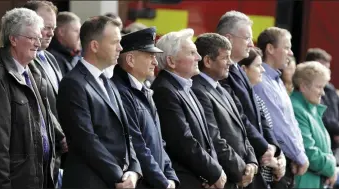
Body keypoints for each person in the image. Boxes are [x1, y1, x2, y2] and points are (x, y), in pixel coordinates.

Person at [56, 15, 142, 188]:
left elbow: (126, 134)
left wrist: (134, 170)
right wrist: (119, 177)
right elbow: (86, 140)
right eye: (115, 42)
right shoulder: (73, 83)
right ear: (95, 46)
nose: (120, 48)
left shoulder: (108, 81)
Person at [0, 8, 57, 188]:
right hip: (18, 180)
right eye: (32, 38)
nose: (37, 44)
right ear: (13, 39)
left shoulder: (33, 71)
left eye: (39, 38)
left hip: (41, 176)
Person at [151, 28, 227, 188]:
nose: (198, 57)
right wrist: (213, 173)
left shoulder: (186, 86)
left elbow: (206, 139)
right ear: (171, 62)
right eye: (192, 53)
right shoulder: (164, 91)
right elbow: (183, 142)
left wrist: (213, 172)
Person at [216, 10, 280, 188]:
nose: (251, 44)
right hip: (241, 162)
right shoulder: (220, 73)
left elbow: (259, 114)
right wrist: (263, 147)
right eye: (246, 38)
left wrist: (272, 146)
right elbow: (239, 116)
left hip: (255, 158)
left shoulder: (236, 68)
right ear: (228, 38)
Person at [112, 27, 179, 188]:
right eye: (150, 56)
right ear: (130, 60)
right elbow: (138, 145)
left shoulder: (144, 90)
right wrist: (163, 182)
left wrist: (170, 176)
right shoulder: (122, 92)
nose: (155, 62)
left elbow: (159, 141)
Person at [191, 33, 258, 189]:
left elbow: (242, 130)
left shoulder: (222, 88)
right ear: (207, 61)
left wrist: (252, 162)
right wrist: (241, 171)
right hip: (224, 178)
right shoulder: (198, 90)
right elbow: (214, 138)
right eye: (225, 58)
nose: (230, 63)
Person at [255, 27, 309, 189]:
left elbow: (291, 123)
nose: (290, 53)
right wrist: (299, 156)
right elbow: (278, 126)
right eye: (286, 47)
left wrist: (299, 155)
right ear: (270, 49)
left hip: (286, 162)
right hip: (276, 165)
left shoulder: (276, 80)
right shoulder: (262, 83)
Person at [23, 0, 67, 187]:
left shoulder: (51, 59)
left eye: (53, 27)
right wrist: (59, 135)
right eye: (46, 27)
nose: (51, 33)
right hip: (37, 156)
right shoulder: (22, 62)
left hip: (59, 155)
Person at [238, 47, 287, 186]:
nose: (263, 70)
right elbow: (249, 133)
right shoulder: (240, 98)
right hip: (255, 173)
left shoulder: (257, 98)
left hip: (267, 174)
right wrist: (271, 158)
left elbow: (268, 130)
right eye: (258, 66)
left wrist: (279, 155)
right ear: (243, 69)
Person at [290, 61, 337, 188]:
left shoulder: (311, 109)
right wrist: (332, 168)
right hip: (303, 183)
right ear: (304, 86)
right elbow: (308, 152)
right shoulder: (297, 109)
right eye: (319, 87)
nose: (323, 93)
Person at [304, 48, 339, 153]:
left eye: (328, 68)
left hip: (333, 145)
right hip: (319, 146)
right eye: (322, 68)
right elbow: (321, 116)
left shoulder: (331, 89)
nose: (327, 72)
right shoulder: (308, 91)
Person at [47, 11, 81, 76]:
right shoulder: (52, 58)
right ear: (61, 32)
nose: (80, 35)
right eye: (76, 31)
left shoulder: (75, 55)